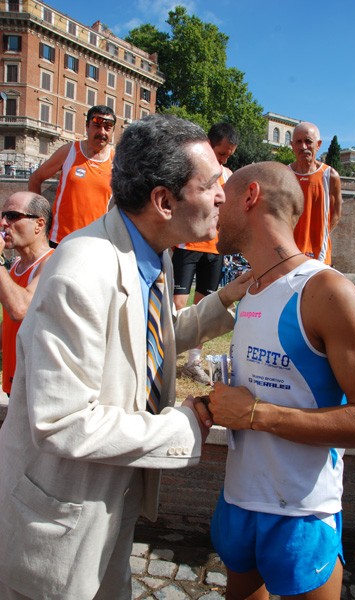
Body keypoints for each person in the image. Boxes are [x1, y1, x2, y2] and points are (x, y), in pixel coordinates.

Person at [0, 114, 251, 600]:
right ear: (163, 200)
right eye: (211, 183)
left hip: (109, 501)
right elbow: (62, 423)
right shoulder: (81, 270)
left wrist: (225, 299)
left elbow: (146, 335)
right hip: (59, 518)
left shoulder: (150, 251)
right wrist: (187, 423)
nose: (223, 194)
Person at [195, 161, 355, 600]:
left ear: (250, 197)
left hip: (301, 513)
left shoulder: (325, 291)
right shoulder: (249, 288)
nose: (215, 202)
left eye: (223, 194)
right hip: (238, 499)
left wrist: (254, 414)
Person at [172, 121, 239, 384]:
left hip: (215, 249)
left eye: (227, 156)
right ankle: (163, 354)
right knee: (177, 303)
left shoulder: (229, 175)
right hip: (187, 245)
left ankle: (193, 363)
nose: (223, 159)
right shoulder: (189, 168)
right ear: (209, 145)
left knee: (205, 307)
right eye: (221, 153)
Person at [28, 105, 116, 247]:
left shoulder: (116, 161)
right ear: (87, 126)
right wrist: (36, 218)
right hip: (61, 240)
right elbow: (35, 178)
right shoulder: (69, 151)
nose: (102, 132)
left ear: (112, 131)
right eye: (97, 126)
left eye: (107, 128)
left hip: (96, 242)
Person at [0, 191, 54, 395]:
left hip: (36, 388)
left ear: (39, 224)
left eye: (12, 216)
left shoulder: (52, 262)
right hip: (14, 383)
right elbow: (10, 323)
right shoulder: (15, 267)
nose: (4, 222)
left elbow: (20, 309)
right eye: (3, 215)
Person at [290, 122, 342, 265]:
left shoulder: (330, 176)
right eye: (298, 142)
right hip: (288, 253)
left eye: (308, 141)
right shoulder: (284, 174)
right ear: (292, 145)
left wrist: (319, 236)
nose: (303, 147)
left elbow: (336, 214)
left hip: (318, 255)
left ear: (318, 145)